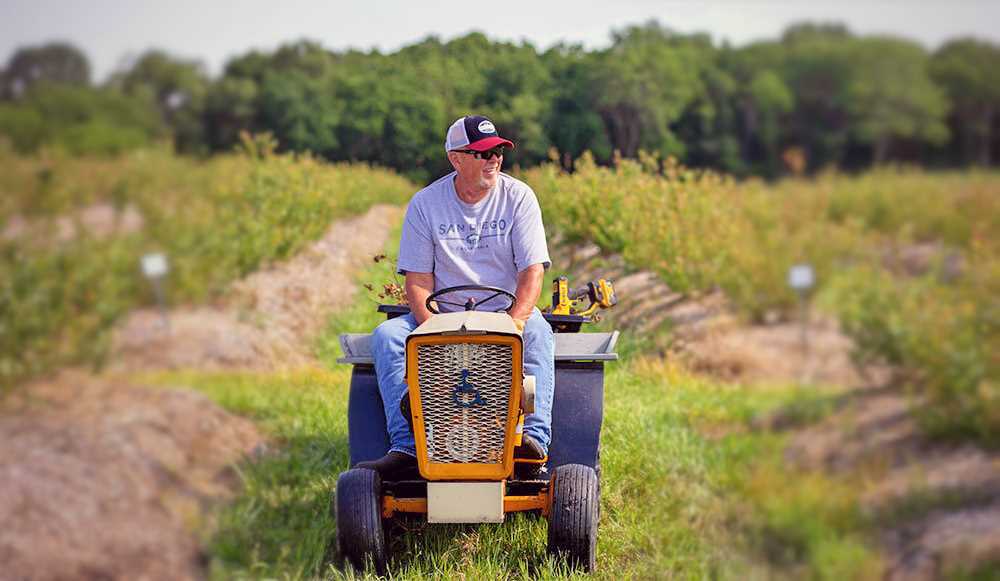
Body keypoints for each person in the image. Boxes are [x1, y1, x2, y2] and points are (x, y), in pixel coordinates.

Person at [357, 115, 555, 478]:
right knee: (387, 337)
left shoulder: (519, 197)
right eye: (482, 153)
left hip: (504, 312)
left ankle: (533, 441)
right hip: (443, 314)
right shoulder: (425, 204)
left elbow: (532, 271)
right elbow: (417, 281)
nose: (493, 159)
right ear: (456, 158)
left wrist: (515, 323)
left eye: (497, 151)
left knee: (539, 332)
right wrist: (433, 332)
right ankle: (406, 446)